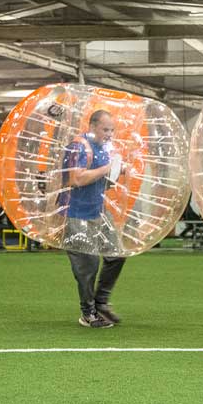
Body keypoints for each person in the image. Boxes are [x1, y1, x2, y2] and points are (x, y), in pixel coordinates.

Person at [61, 109, 126, 329]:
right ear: (92, 126)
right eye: (105, 129)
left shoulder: (103, 149)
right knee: (88, 264)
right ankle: (87, 313)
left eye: (112, 130)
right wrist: (108, 168)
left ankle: (101, 303)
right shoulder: (78, 146)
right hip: (76, 214)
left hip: (98, 211)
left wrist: (116, 173)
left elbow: (101, 184)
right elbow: (76, 178)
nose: (109, 134)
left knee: (116, 254)